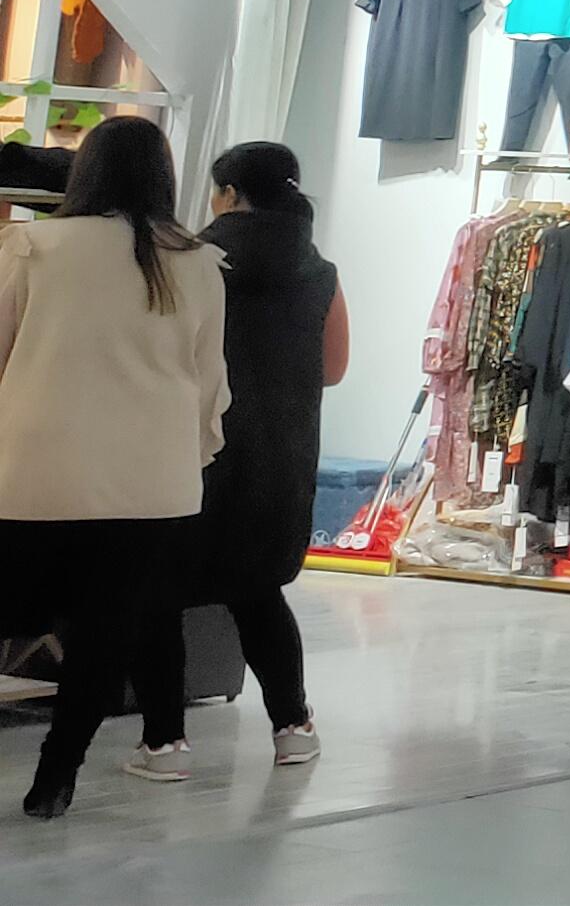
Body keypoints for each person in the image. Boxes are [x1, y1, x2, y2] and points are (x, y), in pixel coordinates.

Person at [0, 117, 227, 817]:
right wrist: (192, 457)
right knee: (105, 635)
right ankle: (55, 778)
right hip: (152, 482)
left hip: (35, 469)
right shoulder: (198, 262)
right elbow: (209, 382)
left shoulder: (34, 246)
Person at [190, 142, 345, 770]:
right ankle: (293, 726)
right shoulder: (320, 270)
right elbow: (333, 368)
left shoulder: (195, 259)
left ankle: (163, 740)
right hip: (281, 451)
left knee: (156, 585)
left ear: (229, 195)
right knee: (257, 592)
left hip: (198, 444)